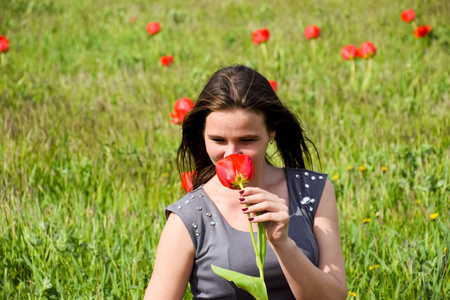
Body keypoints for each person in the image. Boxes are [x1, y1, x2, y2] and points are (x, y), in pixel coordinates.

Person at [144, 65, 347, 299]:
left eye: (247, 139)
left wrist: (283, 245)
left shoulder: (312, 191)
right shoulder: (191, 216)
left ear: (272, 132)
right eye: (218, 140)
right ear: (202, 135)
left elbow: (334, 297)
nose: (231, 153)